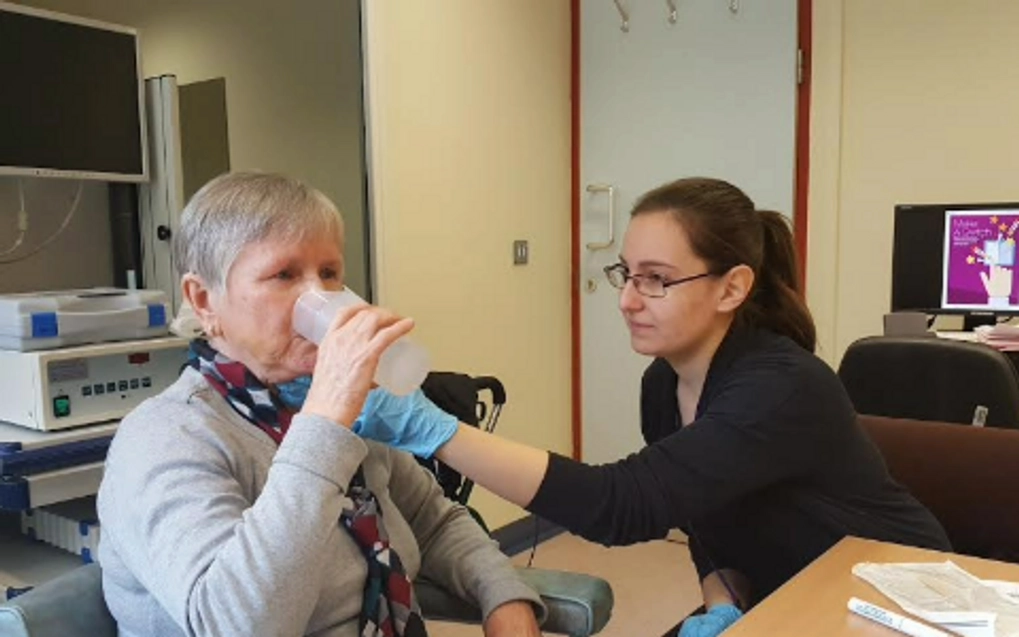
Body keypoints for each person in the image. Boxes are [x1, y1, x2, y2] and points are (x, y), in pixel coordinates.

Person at [347, 177, 953, 636]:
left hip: (896, 602)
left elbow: (623, 505)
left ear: (733, 287)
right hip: (784, 597)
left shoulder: (782, 385)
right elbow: (704, 518)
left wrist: (436, 430)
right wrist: (722, 605)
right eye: (627, 275)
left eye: (656, 279)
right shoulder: (665, 383)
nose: (629, 301)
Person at [96, 172, 544, 637]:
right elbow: (237, 626)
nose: (324, 299)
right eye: (284, 274)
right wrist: (326, 420)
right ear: (205, 299)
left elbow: (434, 520)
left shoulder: (343, 410)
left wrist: (503, 597)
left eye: (329, 273)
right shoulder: (166, 437)